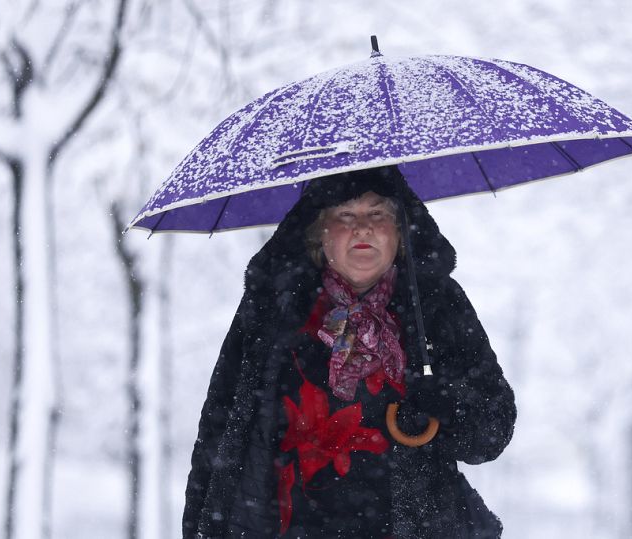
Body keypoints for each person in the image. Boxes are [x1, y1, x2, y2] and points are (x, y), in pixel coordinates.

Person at [183, 166, 516, 538]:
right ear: (318, 232)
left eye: (378, 214)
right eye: (345, 215)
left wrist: (448, 403)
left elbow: (491, 432)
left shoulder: (437, 306)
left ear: (401, 232)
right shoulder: (273, 311)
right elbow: (222, 428)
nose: (363, 228)